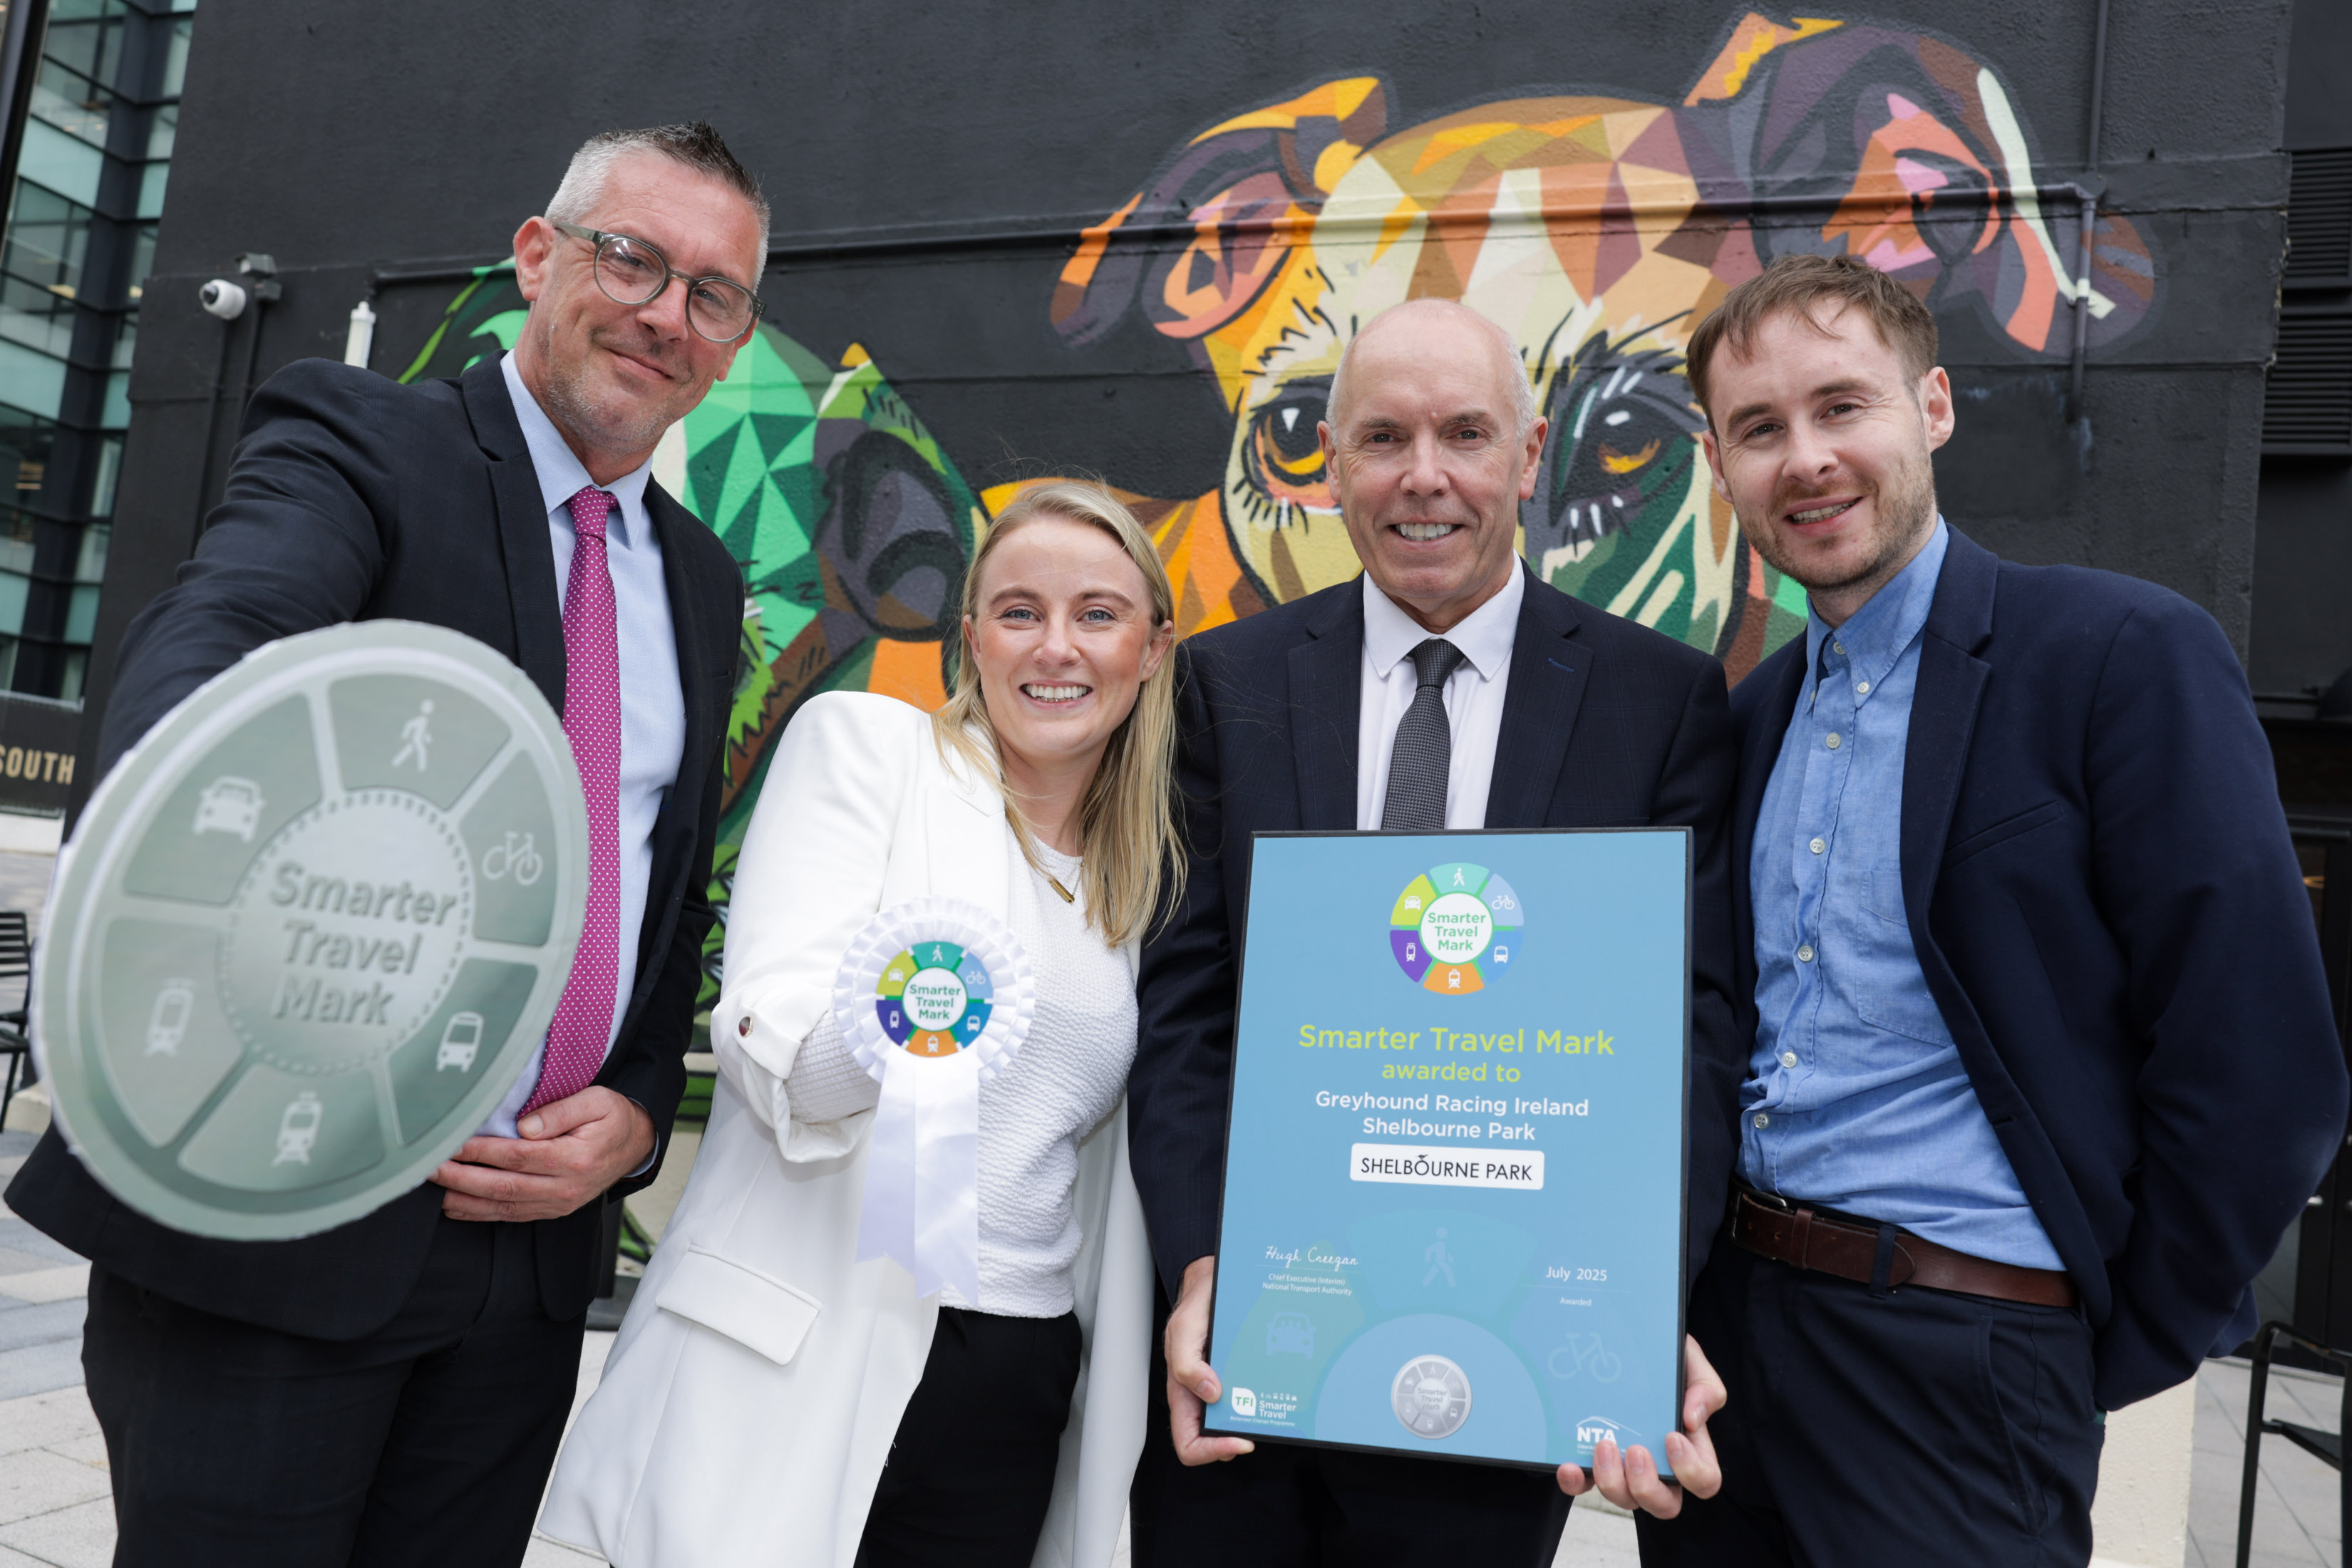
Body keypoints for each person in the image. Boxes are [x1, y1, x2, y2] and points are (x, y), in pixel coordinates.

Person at [4, 122, 759, 1565]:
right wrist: (180, 789)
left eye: (710, 292)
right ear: (538, 256)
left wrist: (639, 1105)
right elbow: (226, 636)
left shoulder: (702, 581)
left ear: (734, 339)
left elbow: (658, 886)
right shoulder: (363, 443)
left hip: (525, 1270)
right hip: (289, 1226)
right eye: (631, 256)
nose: (666, 311)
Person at [1637, 254, 2350, 1567]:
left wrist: (2100, 1339)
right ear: (1724, 467)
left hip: (1966, 1355)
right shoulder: (1745, 720)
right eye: (1759, 429)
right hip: (1737, 1355)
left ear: (1935, 408)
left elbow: (2260, 1061)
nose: (1805, 459)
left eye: (1842, 406)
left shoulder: (2115, 657)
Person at [1128, 296, 1738, 1567]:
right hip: (1255, 1334)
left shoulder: (1660, 703)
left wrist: (1636, 1298)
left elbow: (1685, 1034)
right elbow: (1185, 1009)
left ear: (1528, 456)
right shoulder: (1224, 686)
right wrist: (1197, 1264)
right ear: (1336, 466)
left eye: (1466, 435)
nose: (1425, 478)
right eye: (1383, 439)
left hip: (1502, 1356)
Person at [540, 481, 1172, 1567]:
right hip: (795, 1361)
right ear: (970, 637)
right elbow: (772, 1064)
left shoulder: (1138, 889)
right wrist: (917, 1012)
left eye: (1098, 615)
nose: (1055, 648)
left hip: (1015, 1375)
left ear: (1154, 649)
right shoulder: (870, 753)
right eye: (1019, 612)